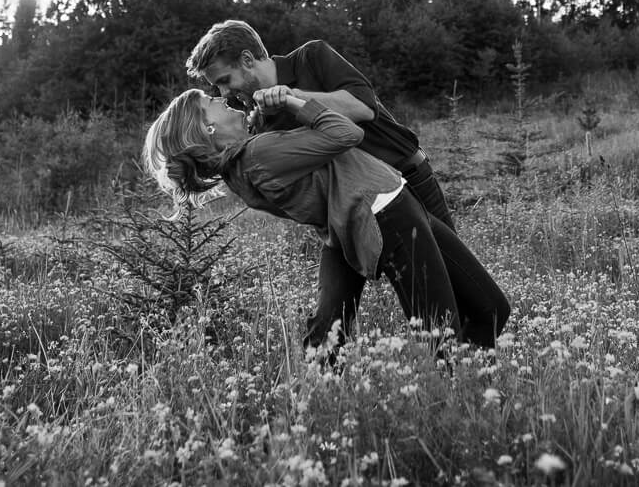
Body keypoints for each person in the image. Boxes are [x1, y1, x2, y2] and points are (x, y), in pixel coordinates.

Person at [142, 84, 510, 354]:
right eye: (211, 102)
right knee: (441, 334)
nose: (221, 99)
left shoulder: (246, 163)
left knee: (490, 308)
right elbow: (347, 133)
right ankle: (461, 404)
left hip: (395, 205)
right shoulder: (257, 156)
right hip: (389, 215)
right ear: (207, 128)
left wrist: (266, 120)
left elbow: (302, 164)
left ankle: (472, 384)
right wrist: (293, 101)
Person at [186, 20, 456, 351]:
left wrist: (293, 98)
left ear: (246, 60)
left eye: (225, 81)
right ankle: (320, 393)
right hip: (346, 212)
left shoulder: (312, 57)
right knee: (330, 317)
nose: (224, 93)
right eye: (217, 88)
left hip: (407, 184)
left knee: (451, 292)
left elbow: (362, 108)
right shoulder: (253, 115)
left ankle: (470, 378)